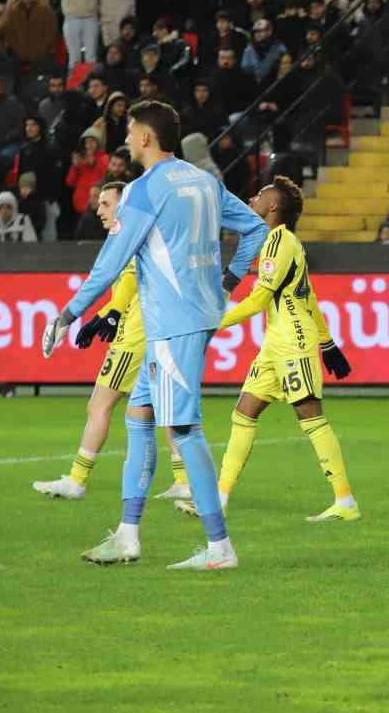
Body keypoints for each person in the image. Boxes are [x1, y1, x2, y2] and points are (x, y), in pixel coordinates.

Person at [41, 100, 269, 571]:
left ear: (145, 137)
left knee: (184, 428)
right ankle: (127, 535)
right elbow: (255, 228)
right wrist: (228, 282)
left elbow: (110, 262)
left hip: (172, 324)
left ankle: (220, 547)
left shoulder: (144, 190)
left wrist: (68, 314)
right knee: (140, 416)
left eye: (129, 131)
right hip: (194, 316)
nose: (125, 139)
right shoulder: (204, 181)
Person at [193, 177, 358, 522]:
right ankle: (219, 498)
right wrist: (328, 343)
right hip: (275, 344)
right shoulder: (277, 242)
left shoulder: (280, 242)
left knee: (310, 416)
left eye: (260, 194)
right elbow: (309, 297)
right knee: (244, 412)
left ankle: (345, 500)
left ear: (273, 207)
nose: (252, 197)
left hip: (293, 342)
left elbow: (258, 300)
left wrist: (213, 321)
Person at [31, 181, 191, 503]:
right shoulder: (145, 233)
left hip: (135, 336)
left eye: (106, 203)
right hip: (153, 330)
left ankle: (77, 480)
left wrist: (112, 314)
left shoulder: (131, 234)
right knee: (162, 408)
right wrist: (101, 316)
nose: (99, 210)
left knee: (99, 405)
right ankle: (184, 480)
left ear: (124, 205)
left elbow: (129, 280)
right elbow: (128, 288)